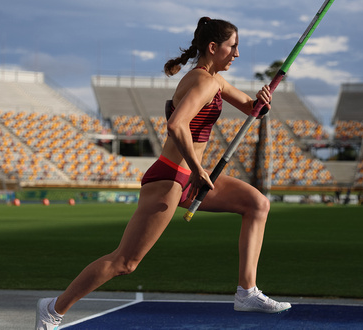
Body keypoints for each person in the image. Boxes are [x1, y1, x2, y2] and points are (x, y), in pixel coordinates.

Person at [35, 17, 291, 329]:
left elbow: (252, 108)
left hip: (192, 176)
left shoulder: (215, 81)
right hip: (171, 177)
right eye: (233, 46)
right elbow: (176, 125)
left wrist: (263, 101)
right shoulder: (202, 81)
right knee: (125, 263)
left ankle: (246, 291)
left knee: (257, 204)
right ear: (213, 48)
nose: (237, 53)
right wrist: (197, 170)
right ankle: (52, 309)